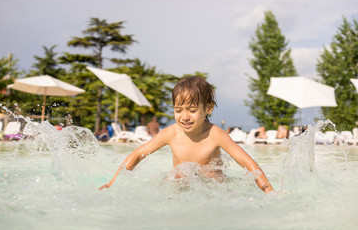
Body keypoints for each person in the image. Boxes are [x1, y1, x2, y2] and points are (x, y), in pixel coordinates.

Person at [99, 76, 274, 193]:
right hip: (179, 187)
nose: (184, 116)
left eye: (192, 110)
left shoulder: (215, 134)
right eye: (178, 110)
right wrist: (113, 184)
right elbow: (137, 154)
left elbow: (246, 162)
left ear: (208, 108)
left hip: (211, 189)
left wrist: (268, 190)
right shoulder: (170, 133)